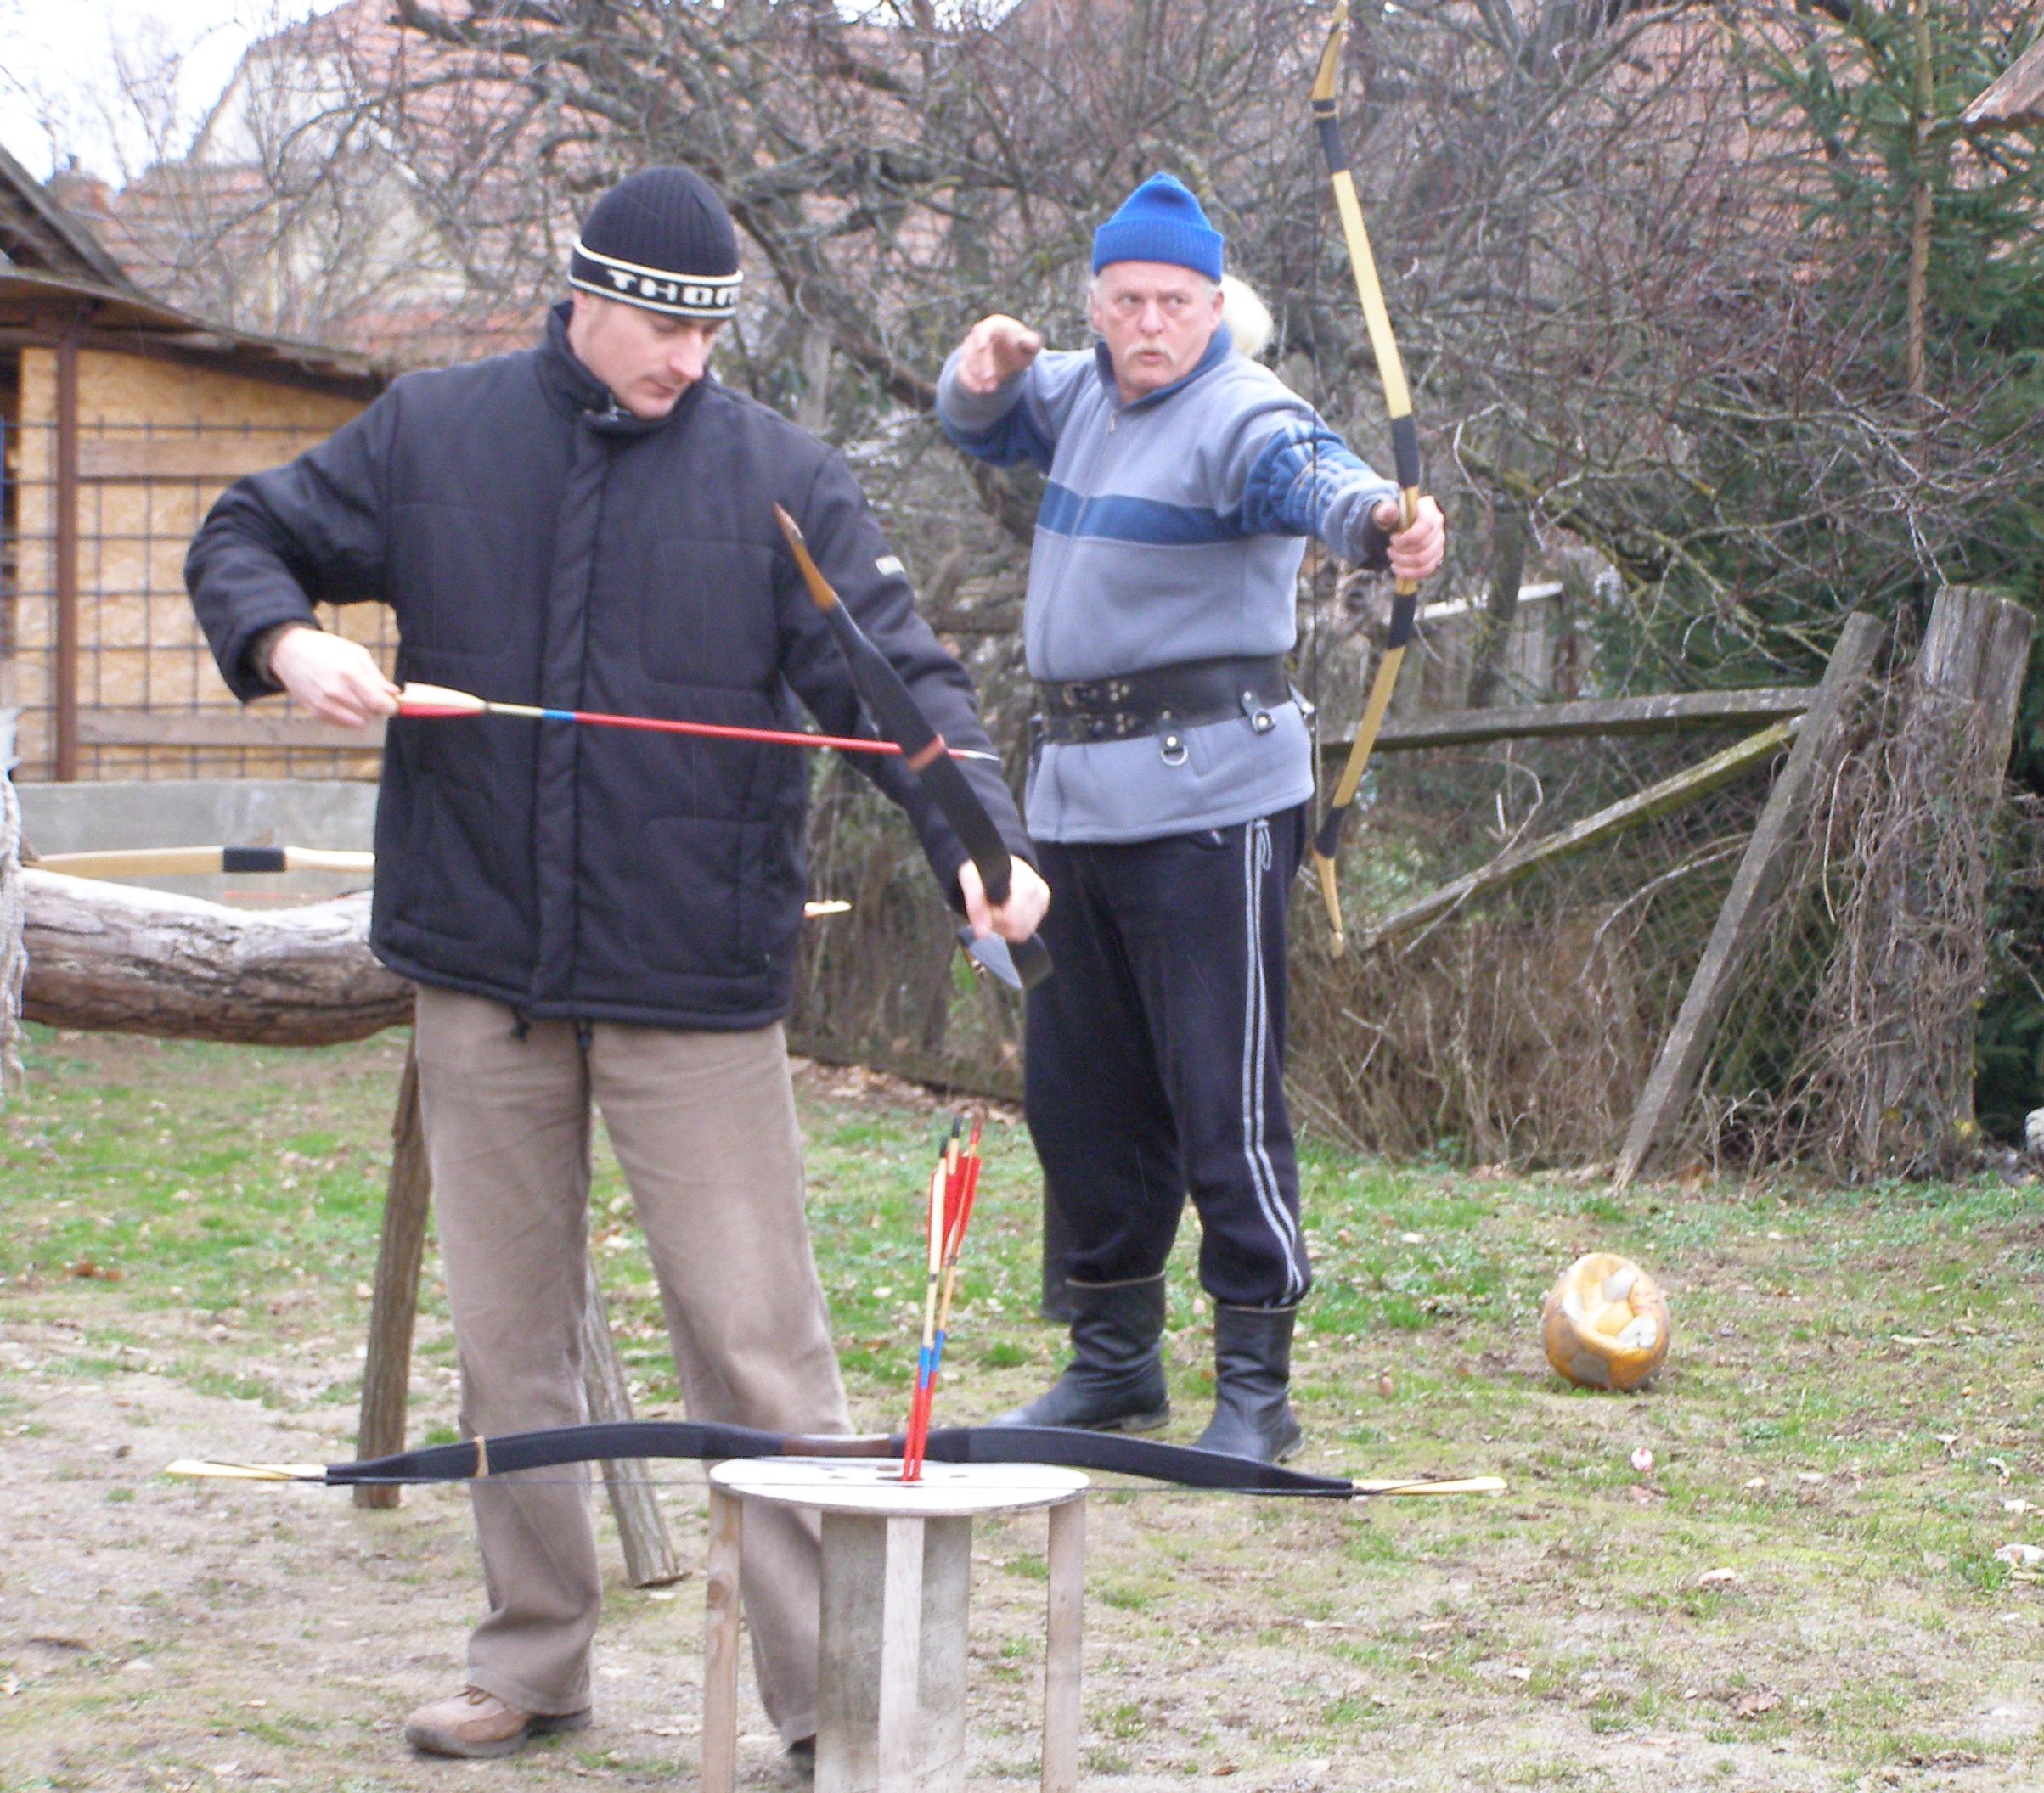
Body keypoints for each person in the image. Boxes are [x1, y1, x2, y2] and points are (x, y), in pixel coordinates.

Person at [185, 166, 1047, 1769]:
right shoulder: (433, 432)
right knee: (509, 1345)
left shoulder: (780, 478)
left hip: (691, 978)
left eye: (710, 335)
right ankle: (531, 1659)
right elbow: (245, 531)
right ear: (585, 296)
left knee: (758, 1350)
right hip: (481, 966)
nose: (686, 362)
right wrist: (285, 641)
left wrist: (978, 842)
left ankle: (830, 1702)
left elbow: (898, 685)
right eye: (663, 327)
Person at [936, 173, 1445, 1464]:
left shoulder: (1244, 410)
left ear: (1215, 304)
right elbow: (981, 421)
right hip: (1073, 804)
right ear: (1096, 304)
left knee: (1220, 1092)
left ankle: (1256, 1391)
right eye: (1127, 301)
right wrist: (981, 374)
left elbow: (1320, 480)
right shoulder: (1081, 391)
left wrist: (1384, 521)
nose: (1150, 323)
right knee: (1081, 1093)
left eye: (1174, 300)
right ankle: (1113, 1366)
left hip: (1212, 803)